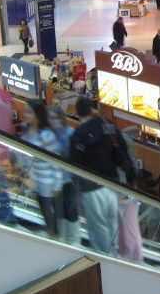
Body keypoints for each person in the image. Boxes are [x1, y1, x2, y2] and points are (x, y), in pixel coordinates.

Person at [70, 97, 119, 255]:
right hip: (112, 185)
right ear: (92, 110)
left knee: (98, 227)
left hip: (91, 189)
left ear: (77, 114)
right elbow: (119, 151)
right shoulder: (107, 126)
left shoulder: (78, 135)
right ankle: (116, 255)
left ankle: (106, 259)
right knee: (112, 224)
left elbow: (75, 165)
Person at [19, 100, 64, 238]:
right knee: (43, 209)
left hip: (47, 181)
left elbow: (55, 161)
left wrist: (57, 184)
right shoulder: (26, 128)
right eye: (25, 111)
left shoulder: (46, 135)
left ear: (37, 115)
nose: (25, 114)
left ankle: (54, 236)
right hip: (35, 179)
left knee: (49, 212)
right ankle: (51, 233)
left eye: (29, 112)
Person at [48, 106, 81, 246]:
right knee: (57, 211)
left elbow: (75, 157)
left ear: (61, 118)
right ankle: (62, 241)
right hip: (53, 181)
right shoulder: (48, 135)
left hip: (68, 180)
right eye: (49, 118)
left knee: (71, 210)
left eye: (54, 118)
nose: (51, 121)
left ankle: (74, 240)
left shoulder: (70, 133)